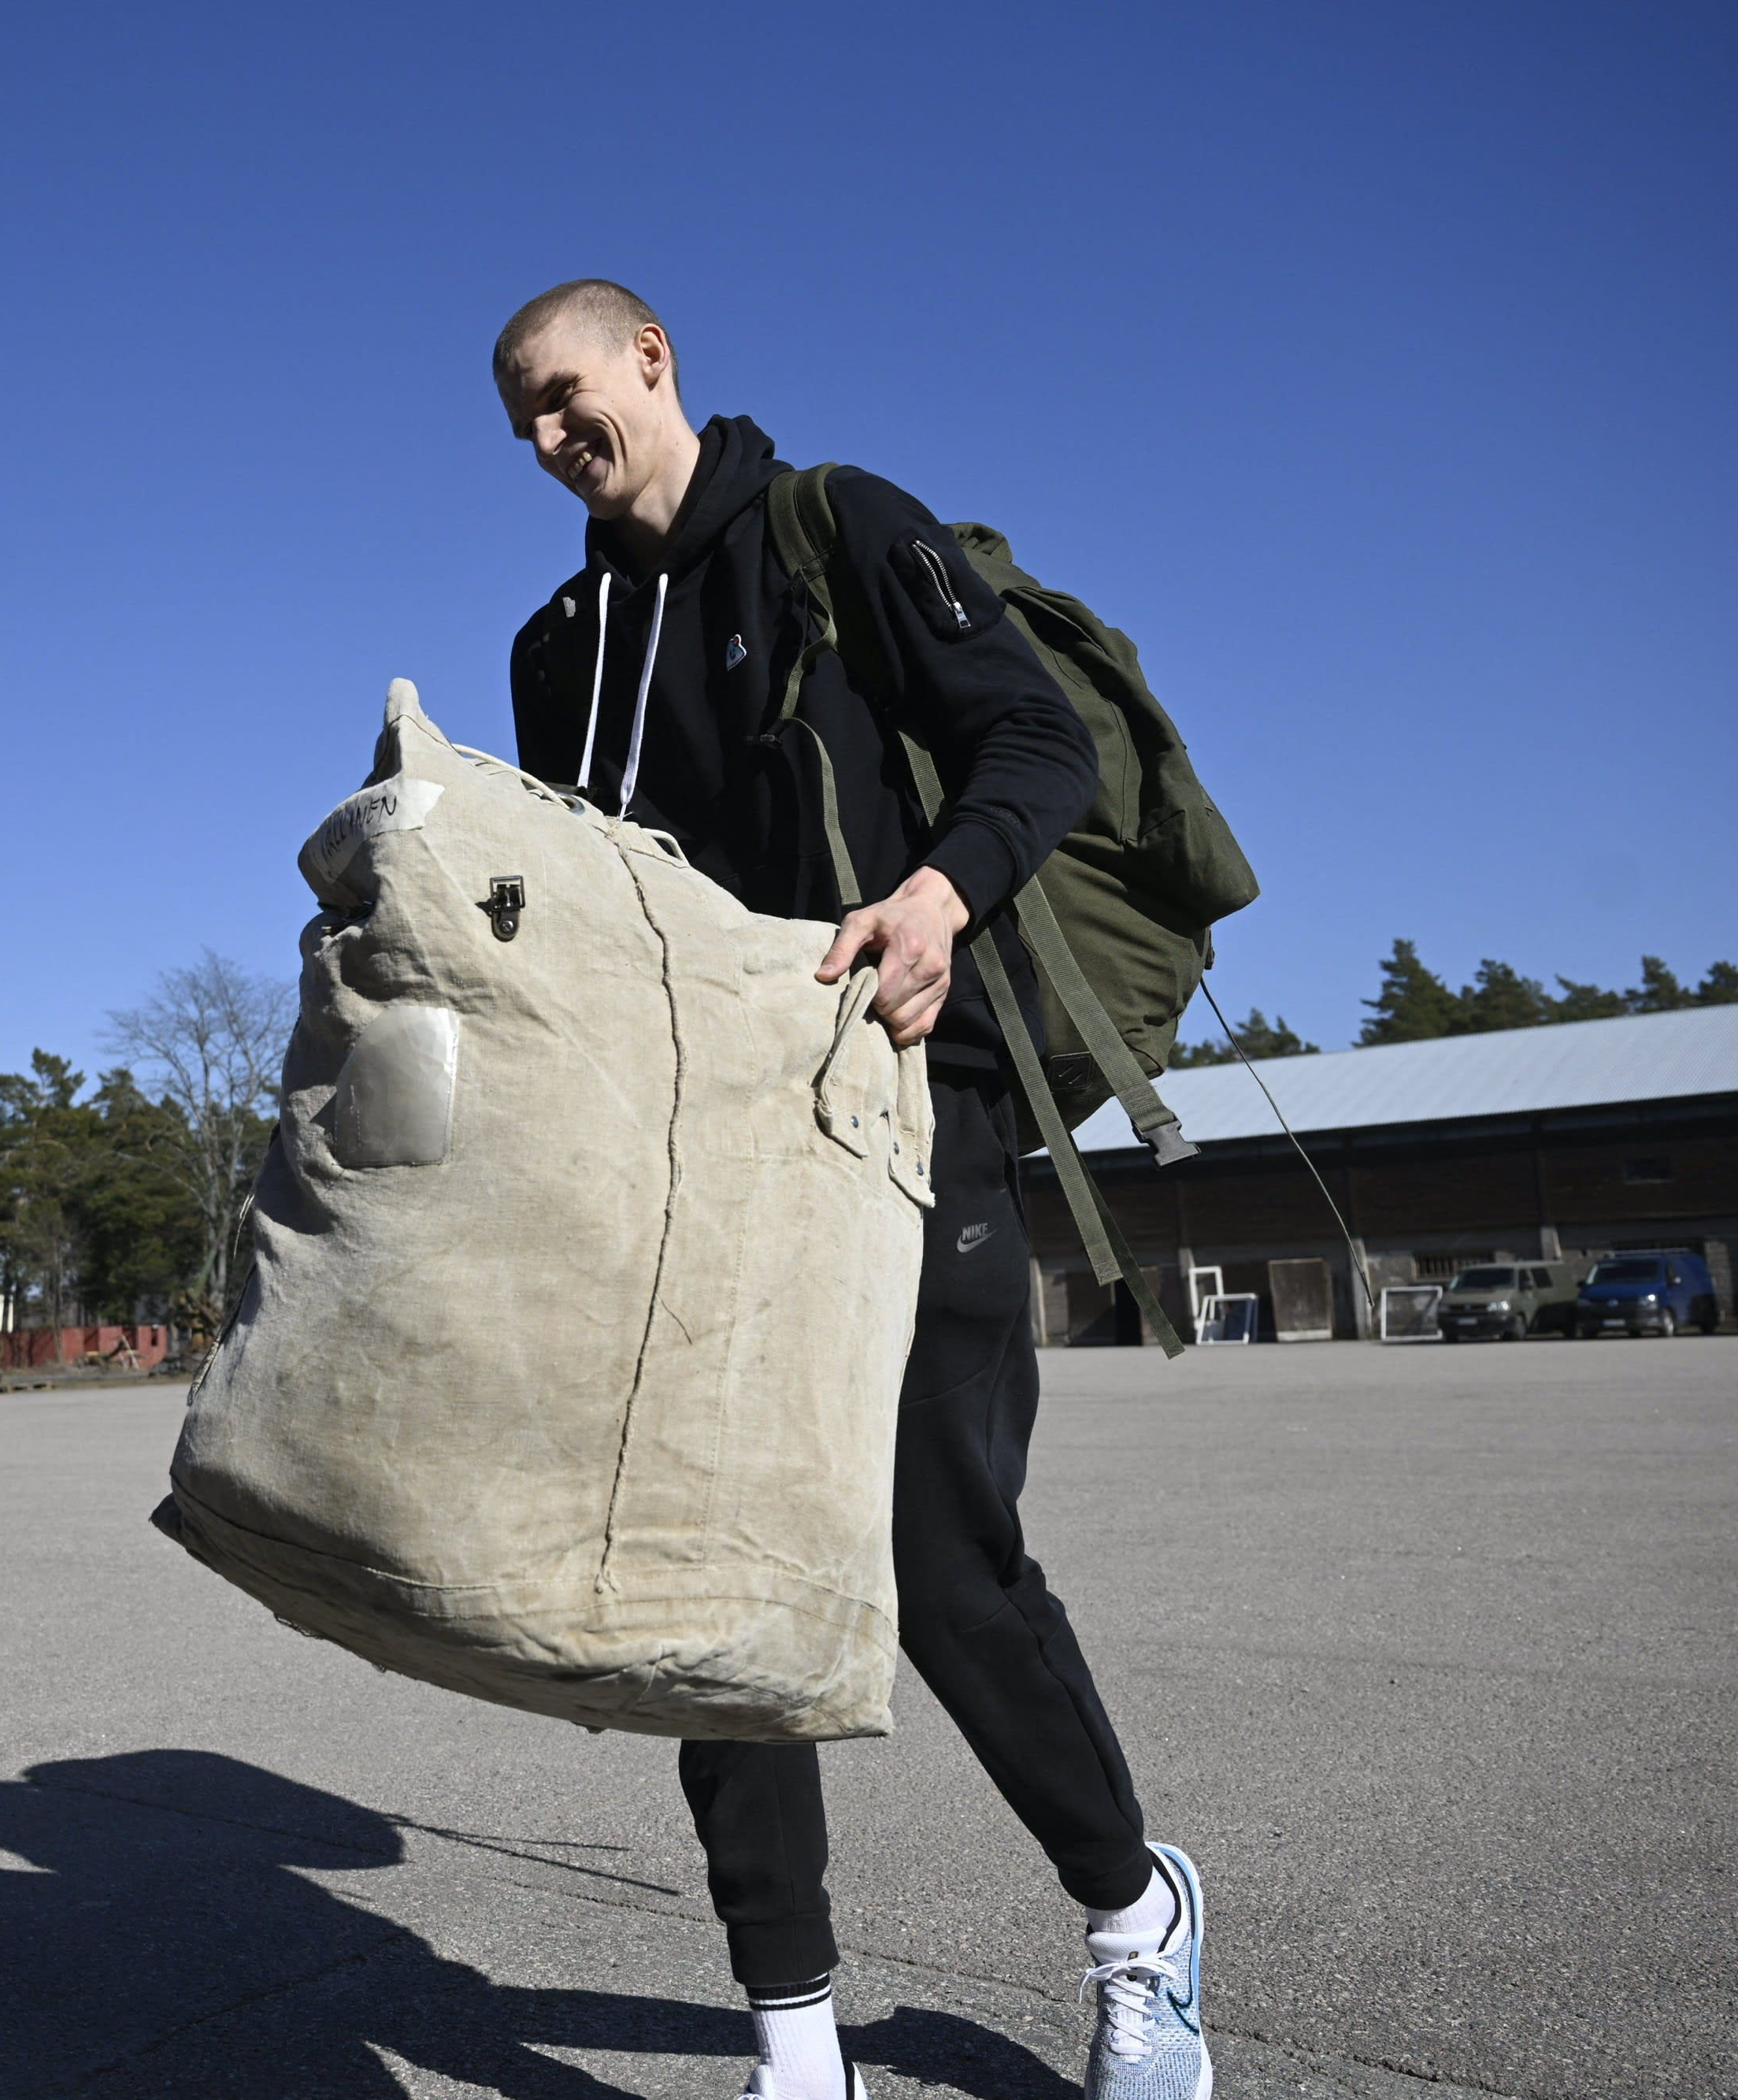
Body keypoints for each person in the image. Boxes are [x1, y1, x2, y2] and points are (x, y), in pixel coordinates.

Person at [494, 279, 1212, 2100]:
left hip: (906, 1106)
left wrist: (941, 894)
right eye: (518, 419)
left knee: (942, 1568)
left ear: (650, 357)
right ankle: (791, 2042)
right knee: (712, 1596)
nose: (547, 436)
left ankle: (1138, 1922)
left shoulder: (836, 527)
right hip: (693, 1156)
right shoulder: (556, 649)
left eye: (565, 393)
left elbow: (1032, 741)